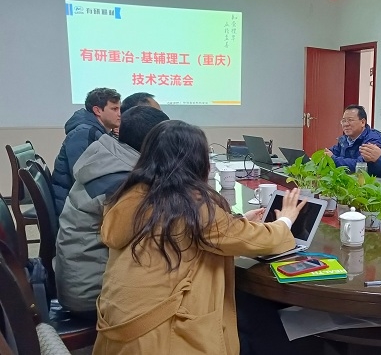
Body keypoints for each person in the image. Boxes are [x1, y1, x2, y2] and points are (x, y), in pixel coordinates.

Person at [93, 120, 306, 355]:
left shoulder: (131, 196)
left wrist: (235, 221)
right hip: (163, 337)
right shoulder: (190, 205)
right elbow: (261, 241)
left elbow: (188, 232)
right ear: (197, 161)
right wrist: (285, 221)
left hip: (119, 332)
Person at [54, 106, 169, 318]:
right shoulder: (123, 182)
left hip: (79, 280)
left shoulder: (109, 156)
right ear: (154, 143)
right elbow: (148, 242)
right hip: (93, 295)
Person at [52, 88, 121, 215]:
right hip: (71, 207)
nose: (120, 114)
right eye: (114, 109)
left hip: (77, 200)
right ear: (97, 110)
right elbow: (82, 177)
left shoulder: (97, 131)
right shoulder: (84, 133)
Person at [324, 105, 381, 172]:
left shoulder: (372, 139)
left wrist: (333, 159)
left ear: (362, 122)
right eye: (343, 121)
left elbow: (361, 165)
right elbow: (329, 153)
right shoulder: (344, 139)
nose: (346, 124)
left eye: (350, 120)